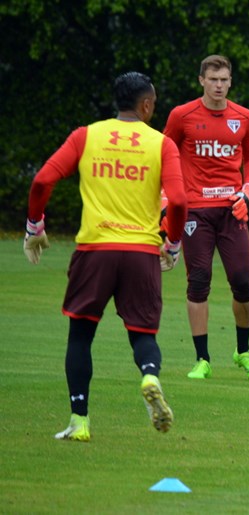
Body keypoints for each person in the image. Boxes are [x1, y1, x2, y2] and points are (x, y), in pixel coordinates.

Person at [24, 71, 188, 442]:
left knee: (80, 336)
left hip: (95, 250)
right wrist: (174, 243)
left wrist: (35, 226)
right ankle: (149, 374)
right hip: (141, 253)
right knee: (143, 333)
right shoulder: (161, 143)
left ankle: (79, 421)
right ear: (146, 105)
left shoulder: (87, 135)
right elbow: (178, 201)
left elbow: (41, 181)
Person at [163, 54, 249, 381]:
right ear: (202, 81)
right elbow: (164, 154)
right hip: (195, 211)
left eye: (224, 80)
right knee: (199, 280)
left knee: (241, 281)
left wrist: (247, 191)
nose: (219, 85)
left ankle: (244, 351)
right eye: (213, 79)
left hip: (232, 210)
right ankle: (202, 359)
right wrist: (167, 199)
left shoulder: (244, 117)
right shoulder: (182, 115)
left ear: (230, 81)